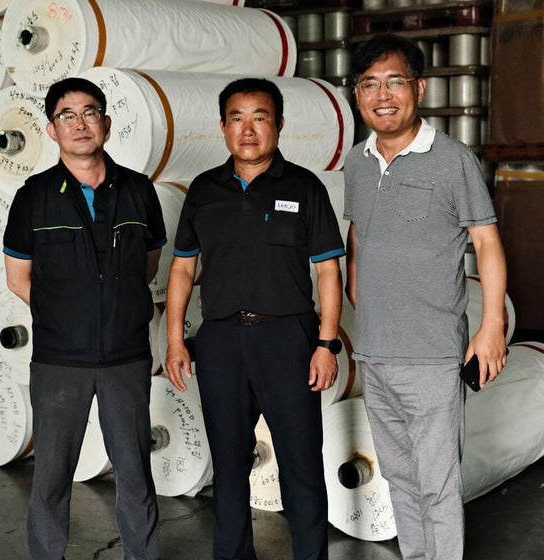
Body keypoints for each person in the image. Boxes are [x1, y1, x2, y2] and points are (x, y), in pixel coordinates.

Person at [164, 77, 344, 560]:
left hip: (287, 339)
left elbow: (328, 269)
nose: (248, 130)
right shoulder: (204, 190)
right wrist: (176, 340)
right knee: (227, 466)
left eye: (259, 118)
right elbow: (182, 268)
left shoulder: (304, 186)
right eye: (237, 119)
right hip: (220, 342)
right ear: (223, 127)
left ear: (279, 125)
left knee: (301, 465)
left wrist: (326, 344)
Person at [343, 34, 508, 560]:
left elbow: (486, 242)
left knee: (437, 485)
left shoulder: (451, 159)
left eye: (395, 82)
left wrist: (490, 329)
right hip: (374, 352)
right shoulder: (358, 162)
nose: (382, 95)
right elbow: (357, 231)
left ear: (419, 88)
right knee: (399, 478)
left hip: (432, 355)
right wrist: (355, 288)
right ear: (356, 93)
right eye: (370, 83)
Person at [3, 77, 166, 560]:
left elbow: (149, 266)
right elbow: (18, 278)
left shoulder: (139, 190)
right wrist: (67, 317)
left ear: (107, 122)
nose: (80, 124)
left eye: (90, 112)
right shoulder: (34, 195)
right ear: (52, 130)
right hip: (59, 362)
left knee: (135, 473)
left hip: (126, 357)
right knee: (51, 476)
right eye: (67, 116)